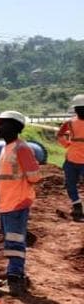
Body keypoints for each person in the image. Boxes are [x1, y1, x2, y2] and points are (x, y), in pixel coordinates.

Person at [0, 110, 41, 296]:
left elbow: (35, 176)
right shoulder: (6, 148)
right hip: (6, 202)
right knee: (11, 239)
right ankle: (14, 274)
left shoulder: (21, 149)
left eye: (2, 123)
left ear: (14, 127)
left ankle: (15, 281)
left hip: (16, 202)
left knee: (14, 242)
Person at [56, 94, 84, 222]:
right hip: (75, 159)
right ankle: (77, 206)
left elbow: (59, 134)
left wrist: (67, 144)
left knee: (70, 184)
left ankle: (77, 205)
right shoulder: (70, 123)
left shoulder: (70, 122)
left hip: (72, 159)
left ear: (75, 109)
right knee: (70, 184)